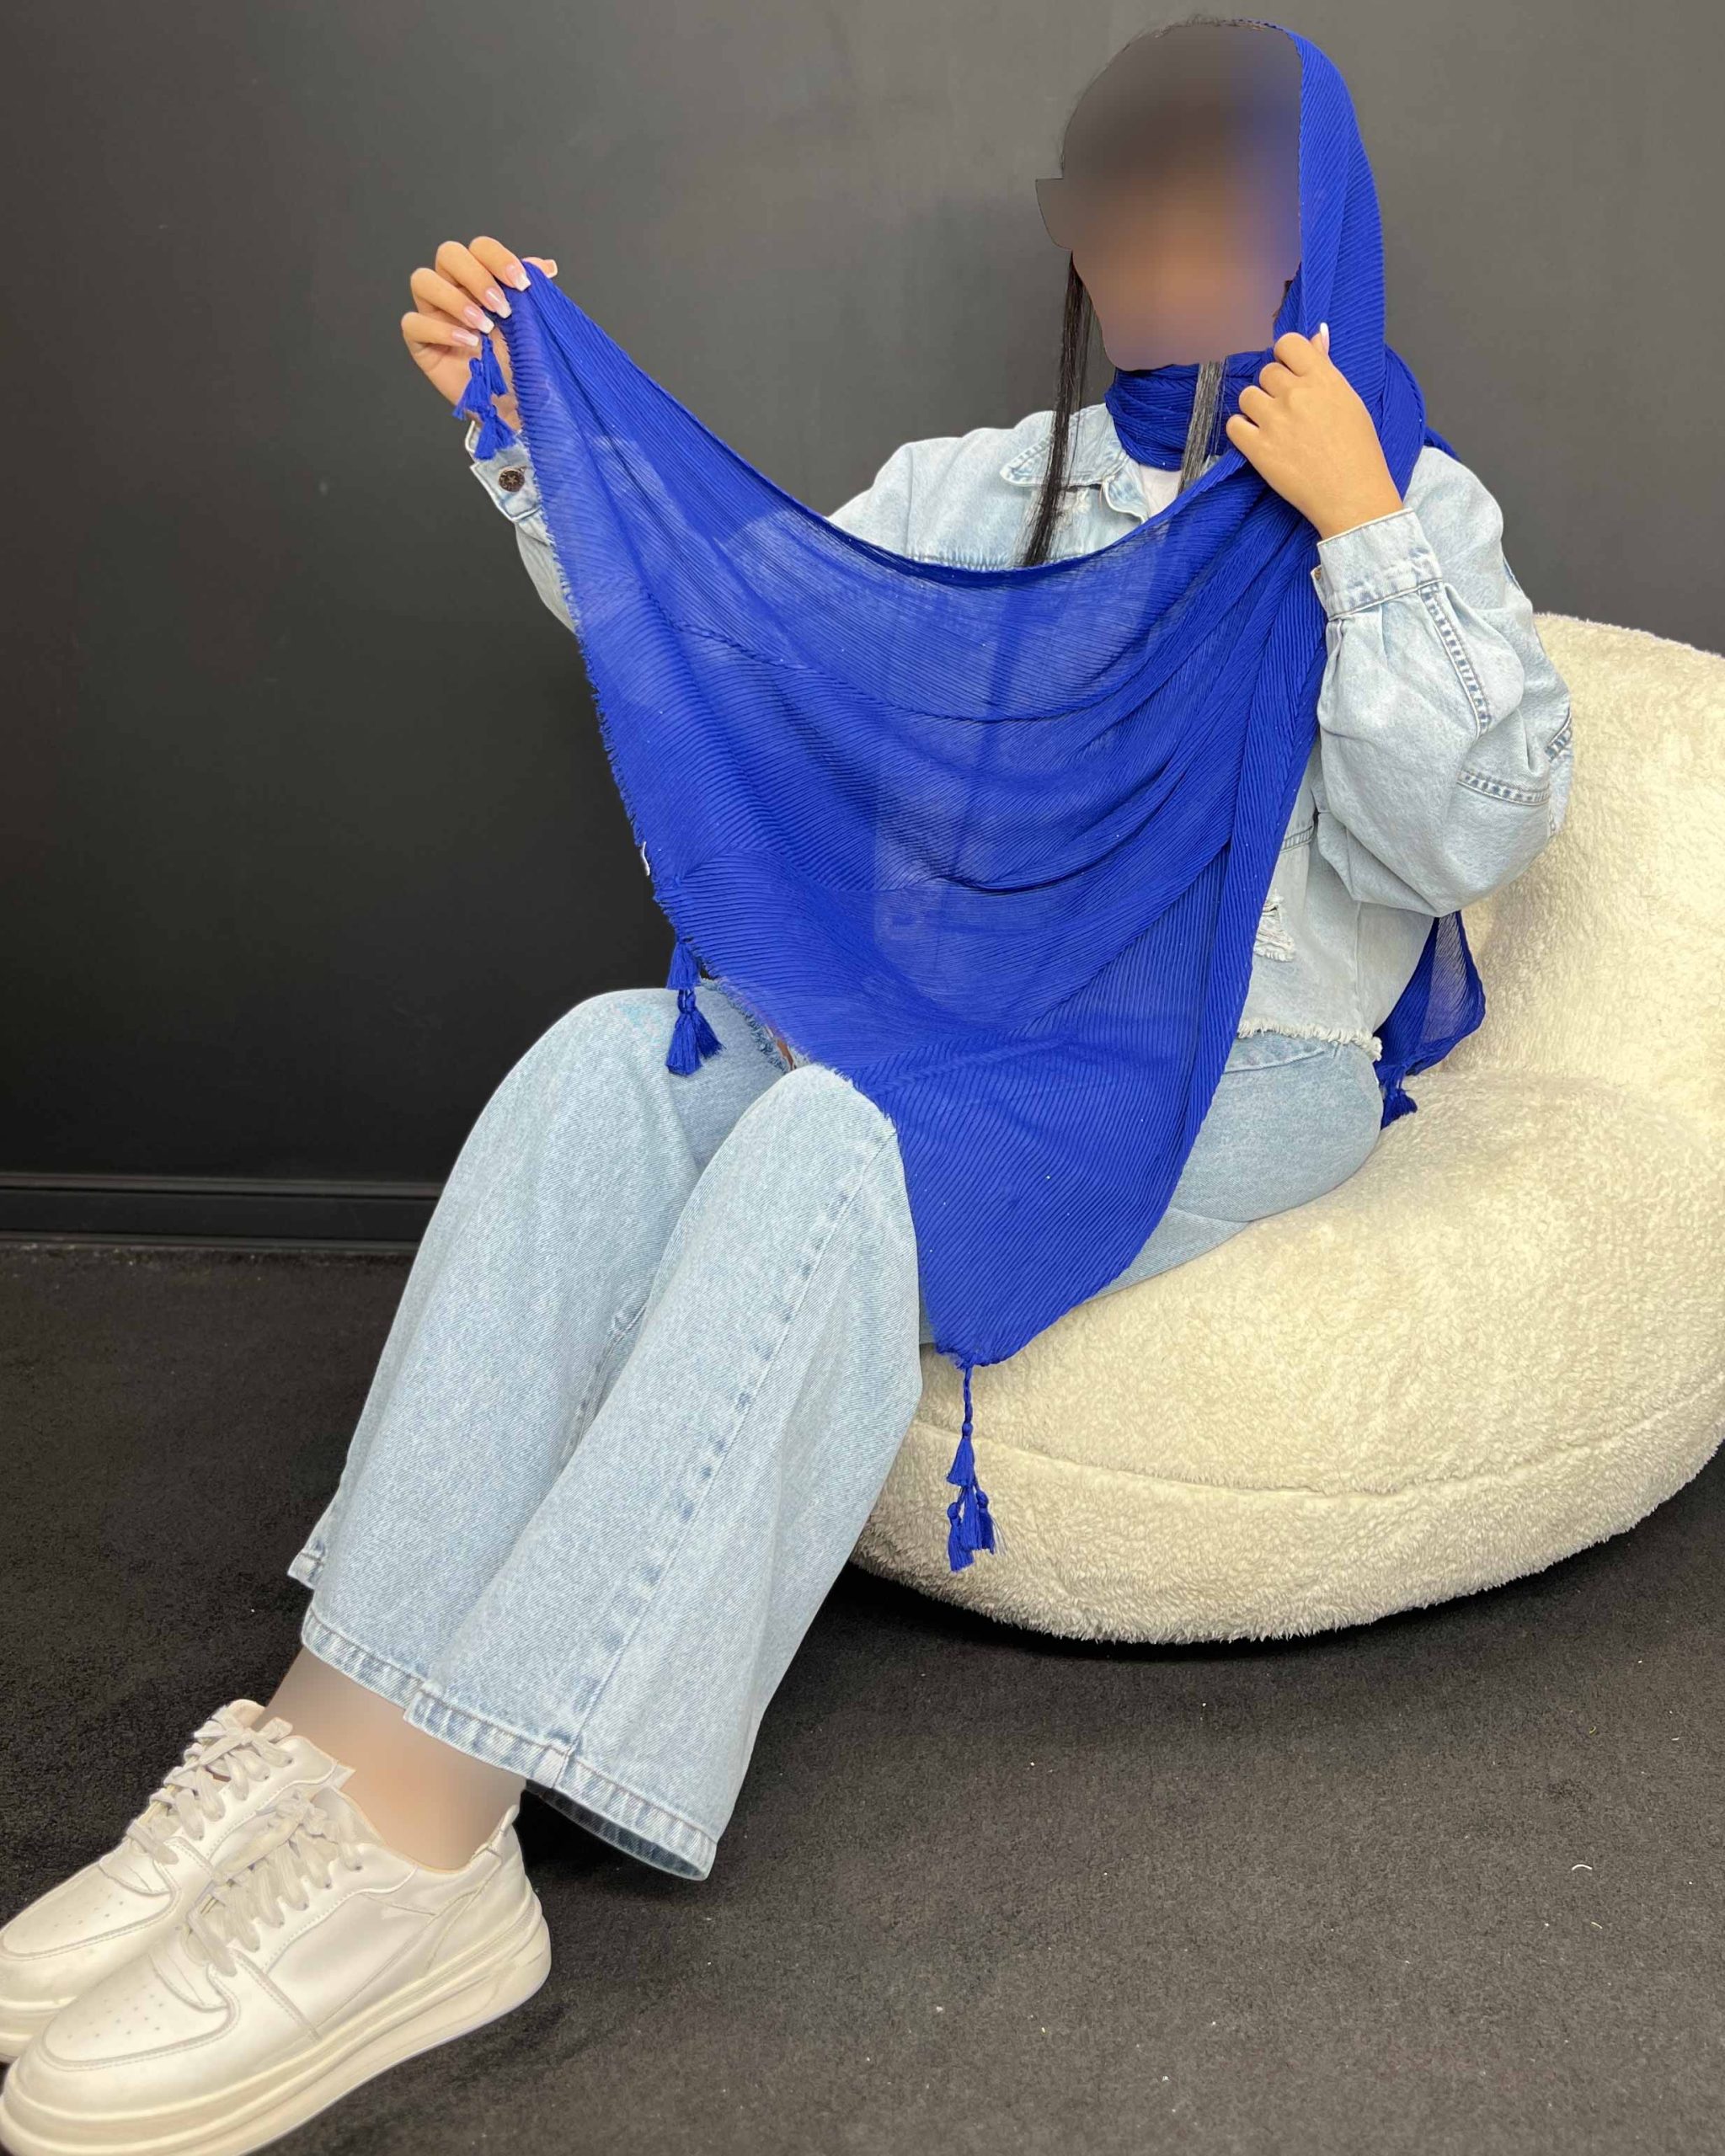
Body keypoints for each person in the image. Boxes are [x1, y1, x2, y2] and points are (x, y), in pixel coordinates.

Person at [0, 19, 1573, 2153]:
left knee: (837, 1138)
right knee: (600, 1056)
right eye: (1117, 207)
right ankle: (323, 1745)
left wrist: (1359, 523)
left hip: (1234, 1063)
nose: (1155, 251)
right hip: (957, 1023)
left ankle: (435, 1848)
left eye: (1215, 208)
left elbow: (1466, 834)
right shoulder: (982, 486)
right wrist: (538, 438)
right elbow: (735, 639)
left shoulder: (1410, 499)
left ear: (1317, 227)